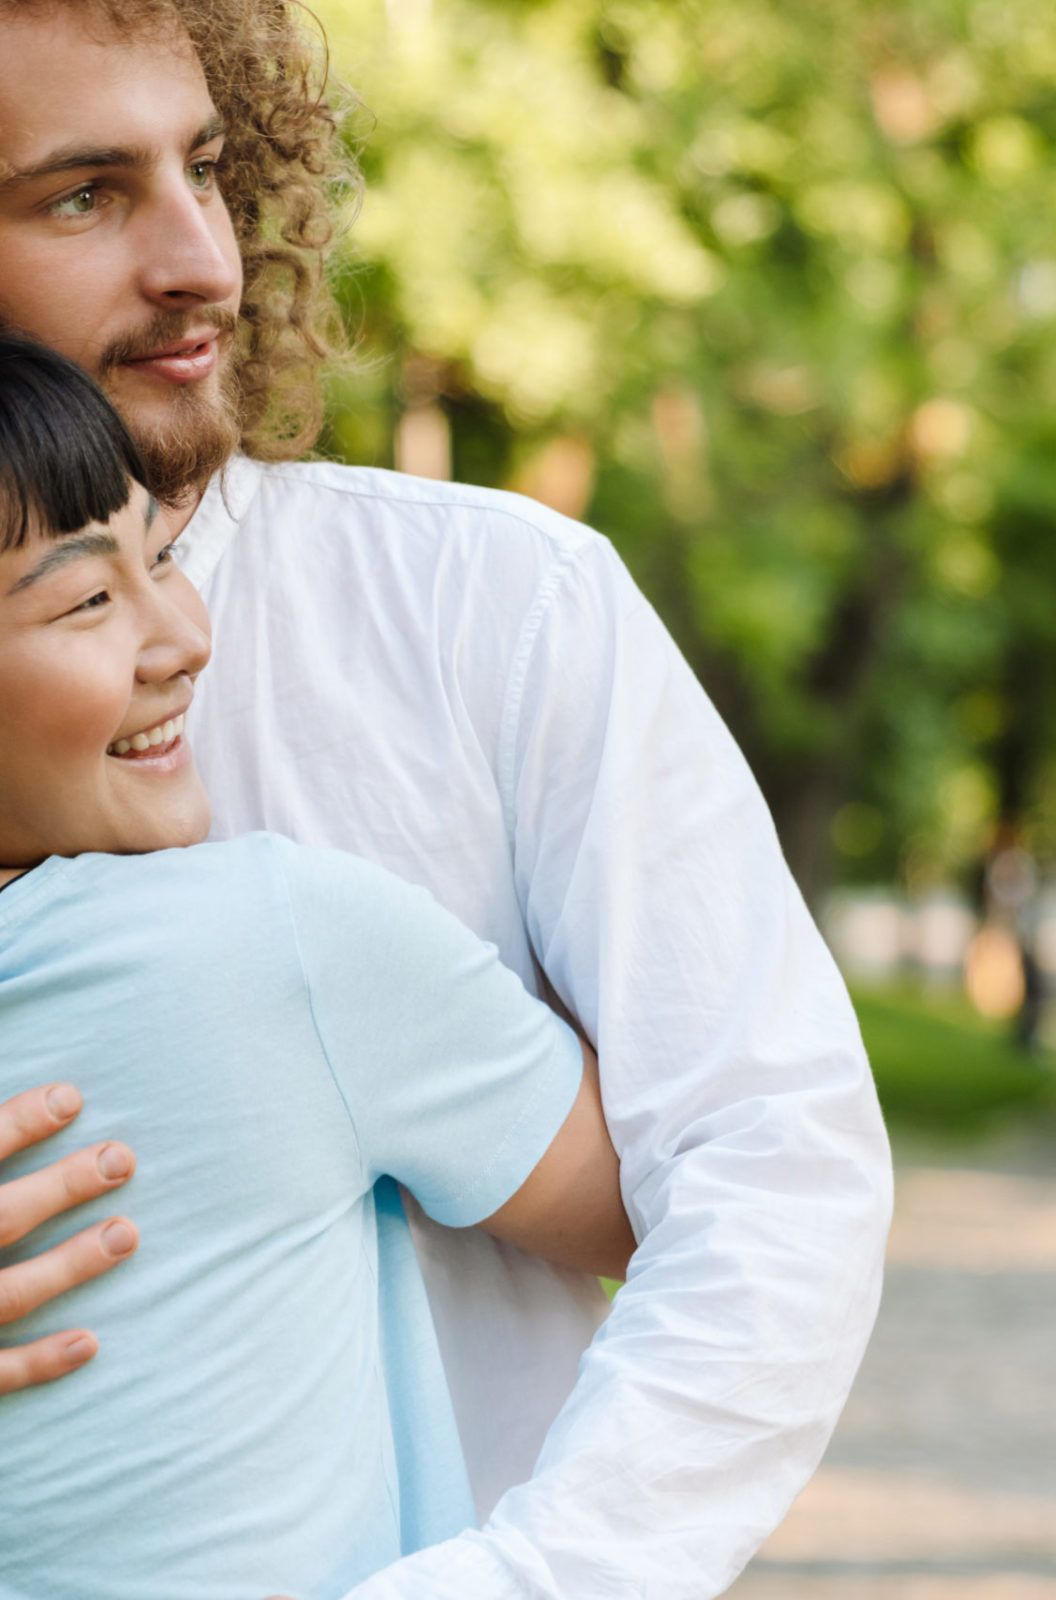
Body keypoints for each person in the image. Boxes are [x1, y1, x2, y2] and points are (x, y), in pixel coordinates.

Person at [0, 3, 893, 1597]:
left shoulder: (498, 603)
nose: (202, 257)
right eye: (83, 194)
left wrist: (525, 1582)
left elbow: (762, 1161)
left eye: (204, 168)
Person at [0, 330, 633, 1600]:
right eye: (87, 597)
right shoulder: (279, 942)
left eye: (165, 556)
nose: (184, 636)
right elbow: (650, 1194)